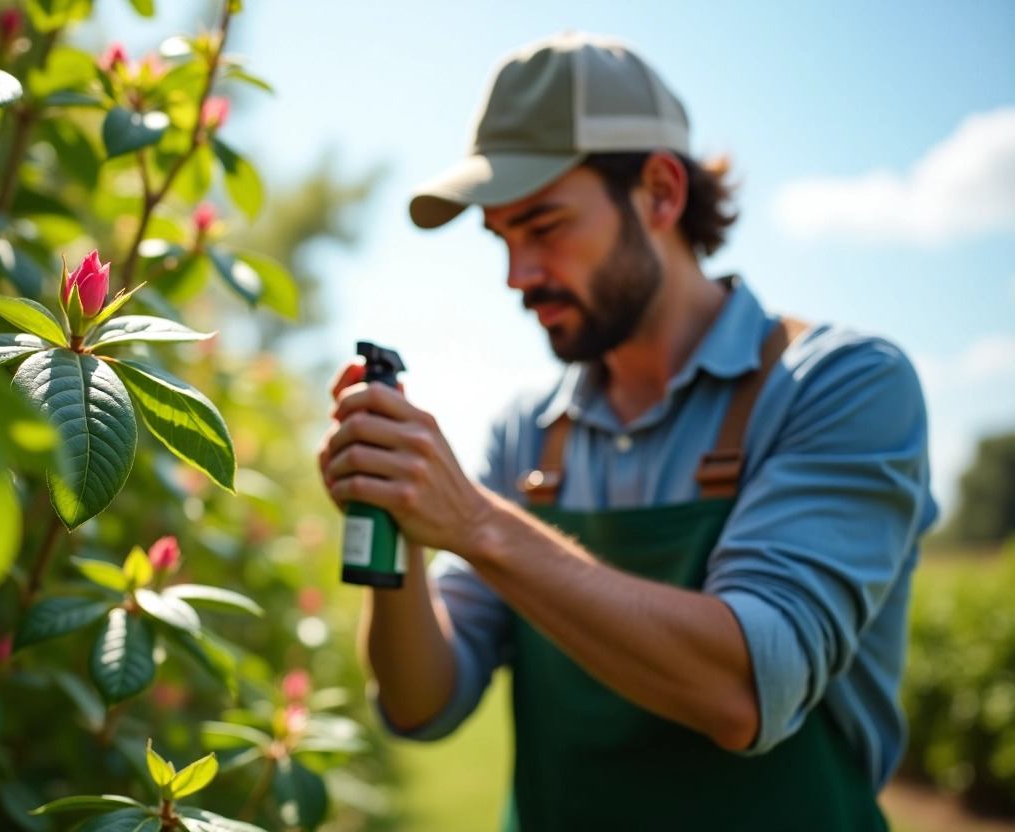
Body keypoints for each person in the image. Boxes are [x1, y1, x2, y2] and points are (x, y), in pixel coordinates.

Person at [318, 32, 937, 832]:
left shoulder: (842, 385)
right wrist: (397, 521)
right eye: (502, 238)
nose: (517, 275)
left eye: (544, 226)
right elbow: (422, 703)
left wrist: (473, 521)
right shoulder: (527, 438)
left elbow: (746, 690)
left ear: (660, 192)